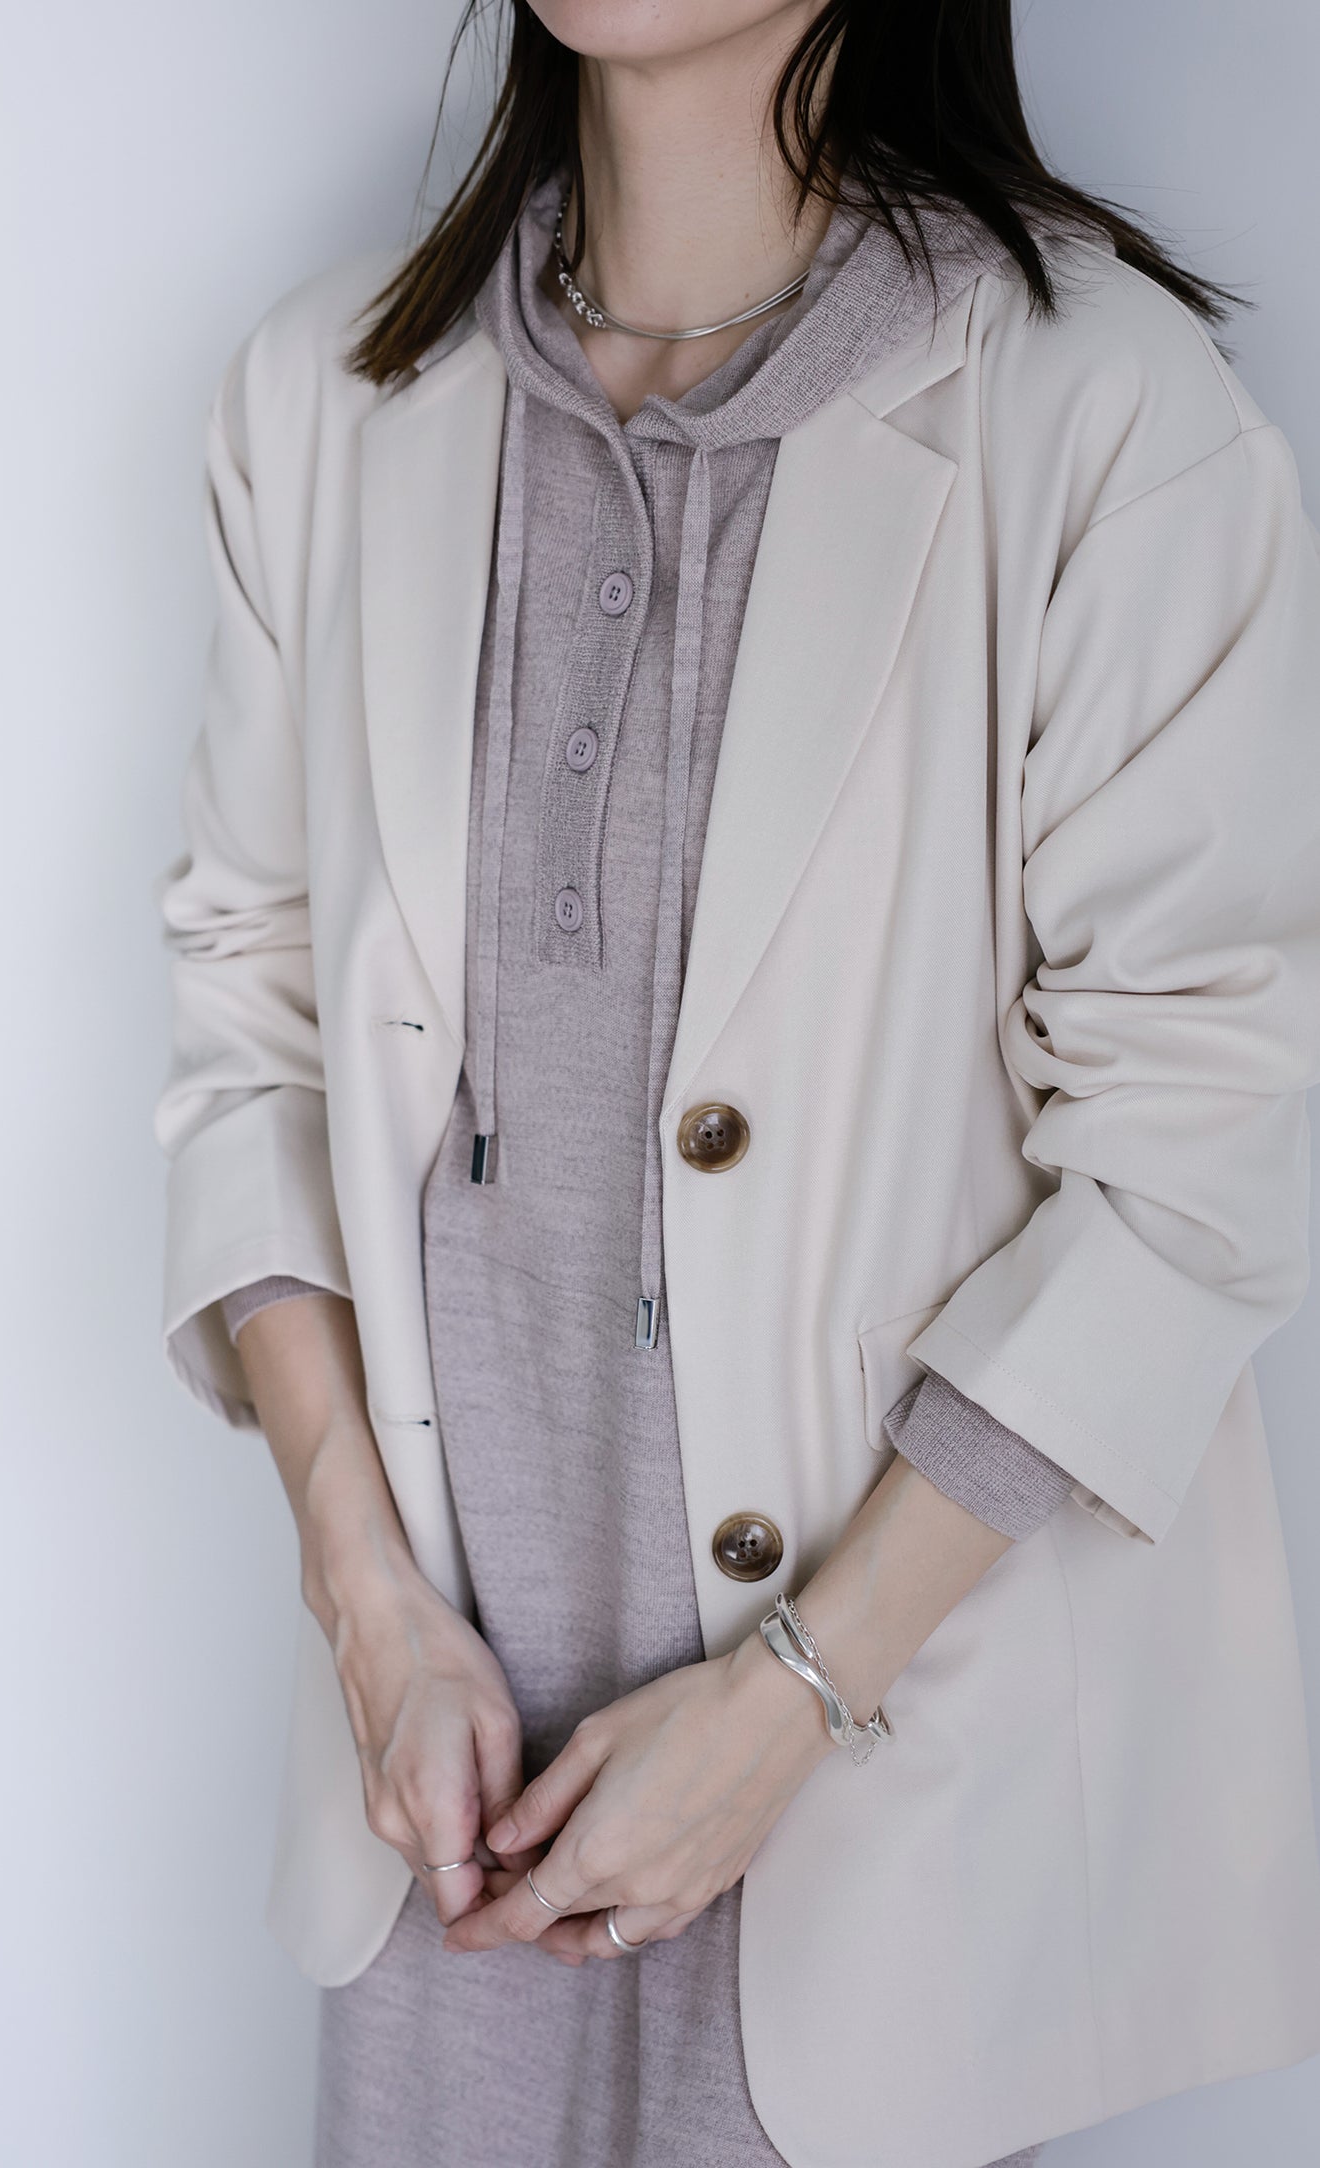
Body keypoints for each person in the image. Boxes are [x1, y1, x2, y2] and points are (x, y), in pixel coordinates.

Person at [154, 3, 1320, 2162]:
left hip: (878, 1817)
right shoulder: (324, 395)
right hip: (441, 1820)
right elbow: (251, 1023)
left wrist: (797, 1694)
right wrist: (367, 1600)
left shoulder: (1100, 413)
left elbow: (1198, 1145)